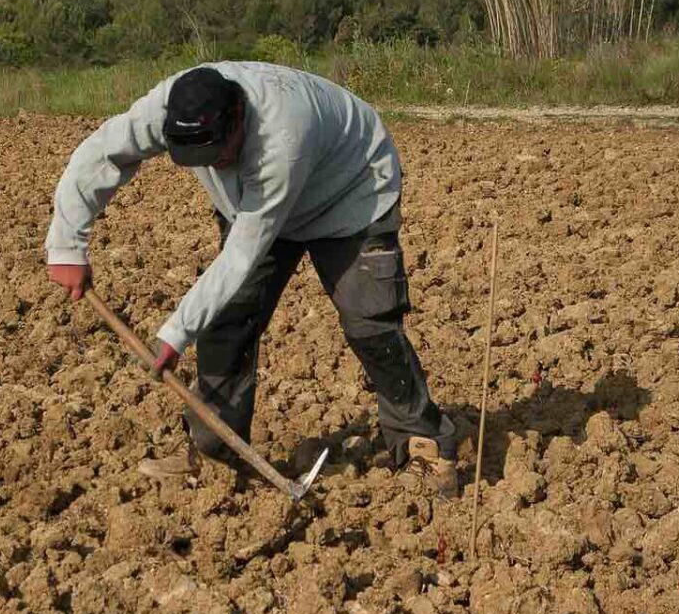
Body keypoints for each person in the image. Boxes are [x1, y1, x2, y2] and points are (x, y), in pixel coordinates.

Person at [45, 62, 458, 496]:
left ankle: (425, 445)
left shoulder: (283, 136)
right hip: (254, 204)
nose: (215, 167)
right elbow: (101, 153)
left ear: (238, 118)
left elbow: (243, 252)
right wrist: (66, 245)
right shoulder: (167, 109)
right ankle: (214, 454)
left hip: (350, 193)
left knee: (370, 323)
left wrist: (173, 334)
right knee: (227, 320)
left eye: (219, 155)